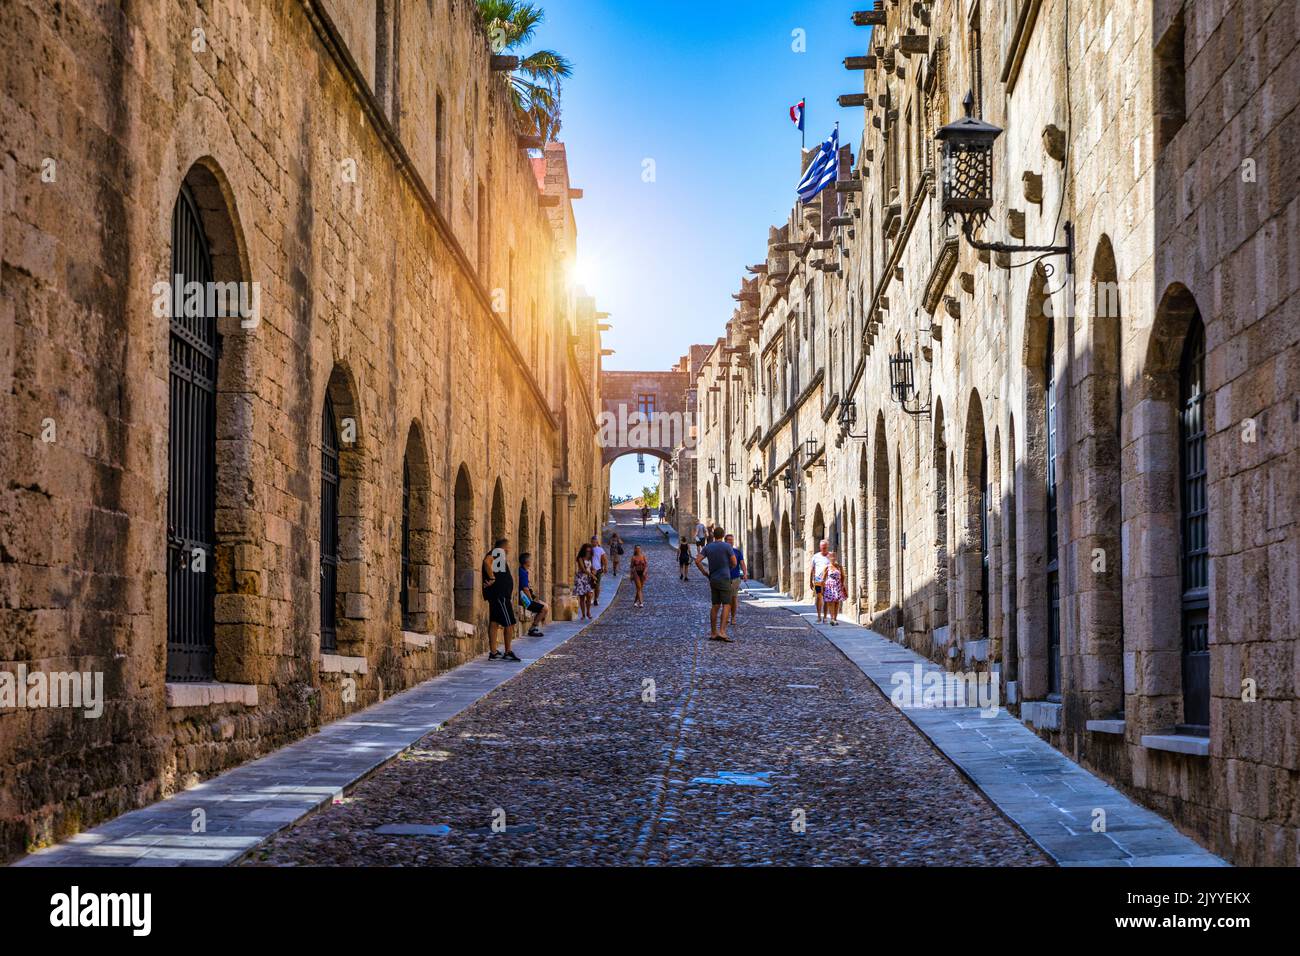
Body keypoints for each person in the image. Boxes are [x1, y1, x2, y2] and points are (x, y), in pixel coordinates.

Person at [694, 527, 737, 642]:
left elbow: (697, 560)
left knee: (715, 605)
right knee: (727, 604)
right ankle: (722, 632)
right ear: (723, 536)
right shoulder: (727, 546)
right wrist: (729, 568)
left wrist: (704, 572)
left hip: (713, 578)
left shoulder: (708, 547)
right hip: (724, 578)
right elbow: (734, 562)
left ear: (714, 535)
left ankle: (713, 632)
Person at [481, 538, 520, 661]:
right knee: (509, 623)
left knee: (494, 622)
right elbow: (487, 562)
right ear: (503, 547)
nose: (509, 549)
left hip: (498, 595)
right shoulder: (498, 552)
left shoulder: (499, 557)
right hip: (500, 596)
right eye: (508, 547)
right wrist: (492, 578)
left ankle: (493, 652)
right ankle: (508, 651)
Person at [517, 551, 547, 637]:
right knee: (544, 609)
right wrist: (531, 601)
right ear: (526, 562)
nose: (531, 561)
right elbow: (525, 589)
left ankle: (535, 625)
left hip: (526, 598)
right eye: (530, 559)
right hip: (524, 600)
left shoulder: (524, 571)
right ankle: (532, 629)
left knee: (545, 606)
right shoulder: (522, 572)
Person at [724, 532, 747, 625]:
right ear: (725, 541)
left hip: (735, 578)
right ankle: (726, 617)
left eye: (732, 540)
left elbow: (742, 563)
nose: (731, 542)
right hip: (724, 578)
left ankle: (733, 617)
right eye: (729, 540)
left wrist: (745, 573)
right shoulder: (723, 552)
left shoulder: (737, 552)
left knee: (733, 599)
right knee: (725, 599)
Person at [809, 538, 832, 623]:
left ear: (827, 547)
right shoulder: (815, 556)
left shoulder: (830, 556)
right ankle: (819, 616)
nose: (823, 549)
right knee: (819, 597)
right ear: (820, 547)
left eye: (825, 547)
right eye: (822, 547)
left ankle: (825, 617)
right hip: (818, 580)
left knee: (826, 599)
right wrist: (810, 581)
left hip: (828, 580)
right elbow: (812, 569)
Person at [822, 551, 845, 626]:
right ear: (828, 558)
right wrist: (823, 588)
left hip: (838, 585)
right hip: (829, 586)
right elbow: (823, 578)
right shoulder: (827, 567)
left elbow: (843, 576)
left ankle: (835, 618)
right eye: (831, 556)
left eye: (834, 556)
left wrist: (842, 585)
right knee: (831, 602)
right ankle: (832, 618)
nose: (833, 558)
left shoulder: (839, 566)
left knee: (837, 602)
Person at [573, 544, 595, 620]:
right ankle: (583, 614)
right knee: (582, 597)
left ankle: (588, 612)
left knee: (589, 596)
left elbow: (591, 567)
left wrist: (593, 570)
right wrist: (592, 575)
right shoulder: (580, 558)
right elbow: (583, 569)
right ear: (584, 551)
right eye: (587, 551)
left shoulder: (590, 558)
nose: (588, 552)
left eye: (589, 551)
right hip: (581, 578)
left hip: (588, 579)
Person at [590, 535, 609, 605]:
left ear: (597, 542)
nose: (593, 543)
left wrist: (606, 567)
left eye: (594, 542)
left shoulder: (600, 550)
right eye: (592, 542)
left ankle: (596, 599)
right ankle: (591, 598)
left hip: (598, 569)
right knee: (590, 585)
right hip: (590, 570)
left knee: (597, 586)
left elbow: (604, 559)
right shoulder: (589, 549)